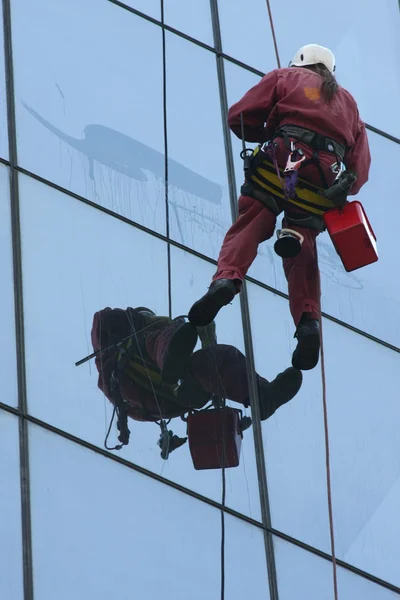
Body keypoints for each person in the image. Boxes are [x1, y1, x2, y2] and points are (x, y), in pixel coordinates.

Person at [188, 44, 371, 371]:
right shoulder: (350, 103)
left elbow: (239, 117)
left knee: (252, 220)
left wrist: (271, 131)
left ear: (301, 62)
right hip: (324, 180)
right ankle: (308, 320)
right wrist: (340, 183)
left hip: (284, 161)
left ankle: (227, 280)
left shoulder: (285, 77)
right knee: (303, 242)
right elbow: (359, 172)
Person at [91, 306, 302, 431]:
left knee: (211, 360)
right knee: (160, 340)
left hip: (176, 396)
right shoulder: (120, 355)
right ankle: (261, 394)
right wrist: (151, 322)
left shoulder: (116, 375)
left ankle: (262, 395)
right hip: (164, 390)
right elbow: (102, 319)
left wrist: (207, 337)